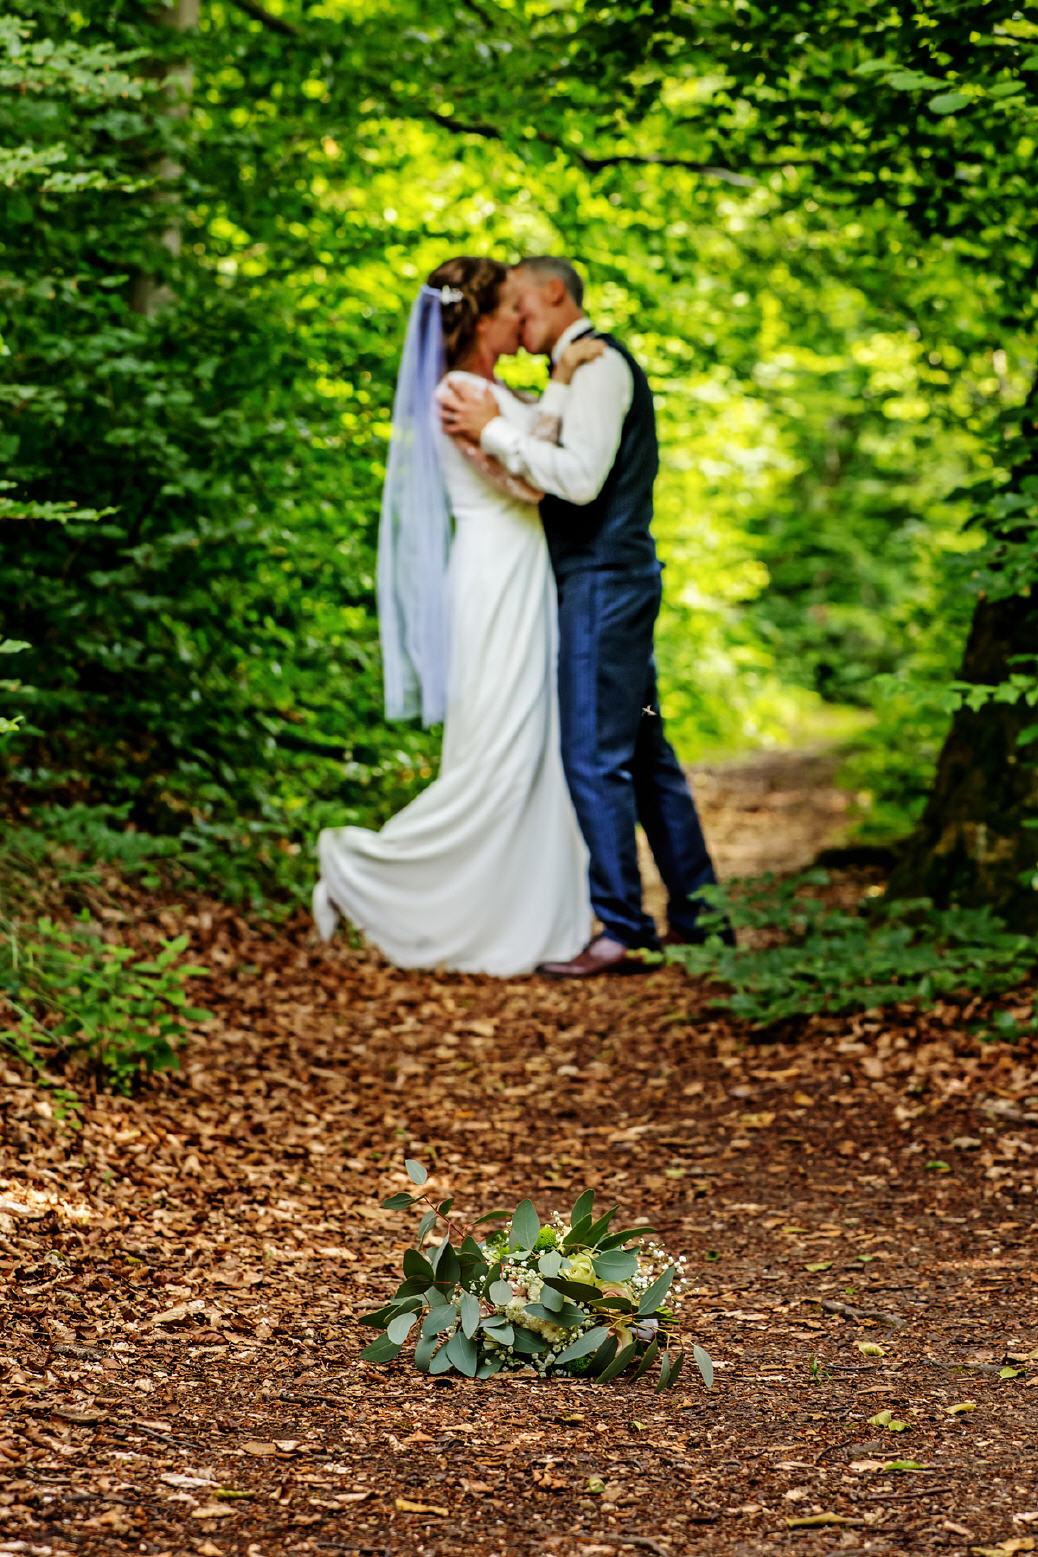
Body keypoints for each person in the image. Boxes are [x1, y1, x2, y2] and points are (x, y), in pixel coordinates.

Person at [439, 256, 731, 977]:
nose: (518, 323)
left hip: (604, 581)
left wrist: (498, 432)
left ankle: (624, 926)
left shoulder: (600, 368)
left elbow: (578, 478)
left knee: (595, 755)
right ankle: (702, 913)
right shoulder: (575, 370)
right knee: (646, 750)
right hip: (609, 581)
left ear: (553, 294)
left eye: (522, 308)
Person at [312, 256, 603, 976]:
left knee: (532, 748)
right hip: (491, 574)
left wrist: (549, 397)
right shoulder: (456, 392)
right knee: (494, 754)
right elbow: (528, 483)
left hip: (524, 571)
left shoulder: (496, 388)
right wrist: (564, 383)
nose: (520, 319)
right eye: (509, 308)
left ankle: (524, 919)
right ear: (479, 319)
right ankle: (359, 867)